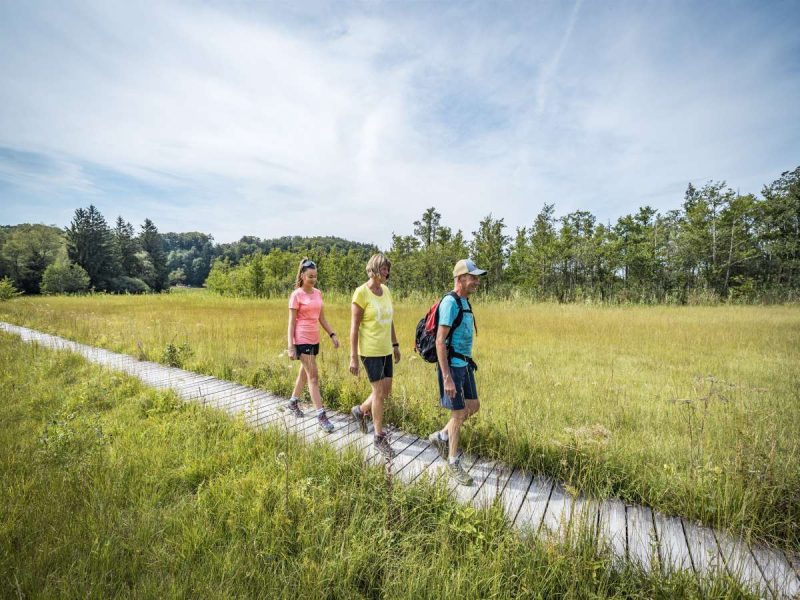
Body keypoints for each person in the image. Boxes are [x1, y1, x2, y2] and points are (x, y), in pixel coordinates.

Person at [428, 259, 486, 486]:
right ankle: (453, 462)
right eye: (473, 277)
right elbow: (440, 342)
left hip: (464, 364)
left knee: (473, 406)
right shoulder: (450, 303)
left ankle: (441, 436)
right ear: (461, 278)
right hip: (452, 367)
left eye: (477, 278)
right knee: (458, 414)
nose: (476, 282)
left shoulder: (464, 302)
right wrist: (447, 377)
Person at [349, 253, 400, 458]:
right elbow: (354, 328)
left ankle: (360, 411)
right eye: (384, 269)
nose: (387, 272)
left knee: (385, 391)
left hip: (386, 348)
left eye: (388, 269)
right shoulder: (361, 293)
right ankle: (379, 438)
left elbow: (390, 320)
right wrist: (353, 357)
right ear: (374, 269)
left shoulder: (386, 291)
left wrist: (395, 344)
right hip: (370, 351)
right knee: (378, 392)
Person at [286, 258, 339, 432]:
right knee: (313, 377)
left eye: (315, 276)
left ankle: (293, 402)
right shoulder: (296, 295)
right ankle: (321, 416)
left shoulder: (318, 293)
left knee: (304, 373)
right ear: (302, 275)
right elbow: (291, 323)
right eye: (310, 276)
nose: (313, 279)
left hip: (314, 339)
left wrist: (332, 334)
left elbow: (321, 318)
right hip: (302, 339)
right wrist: (291, 346)